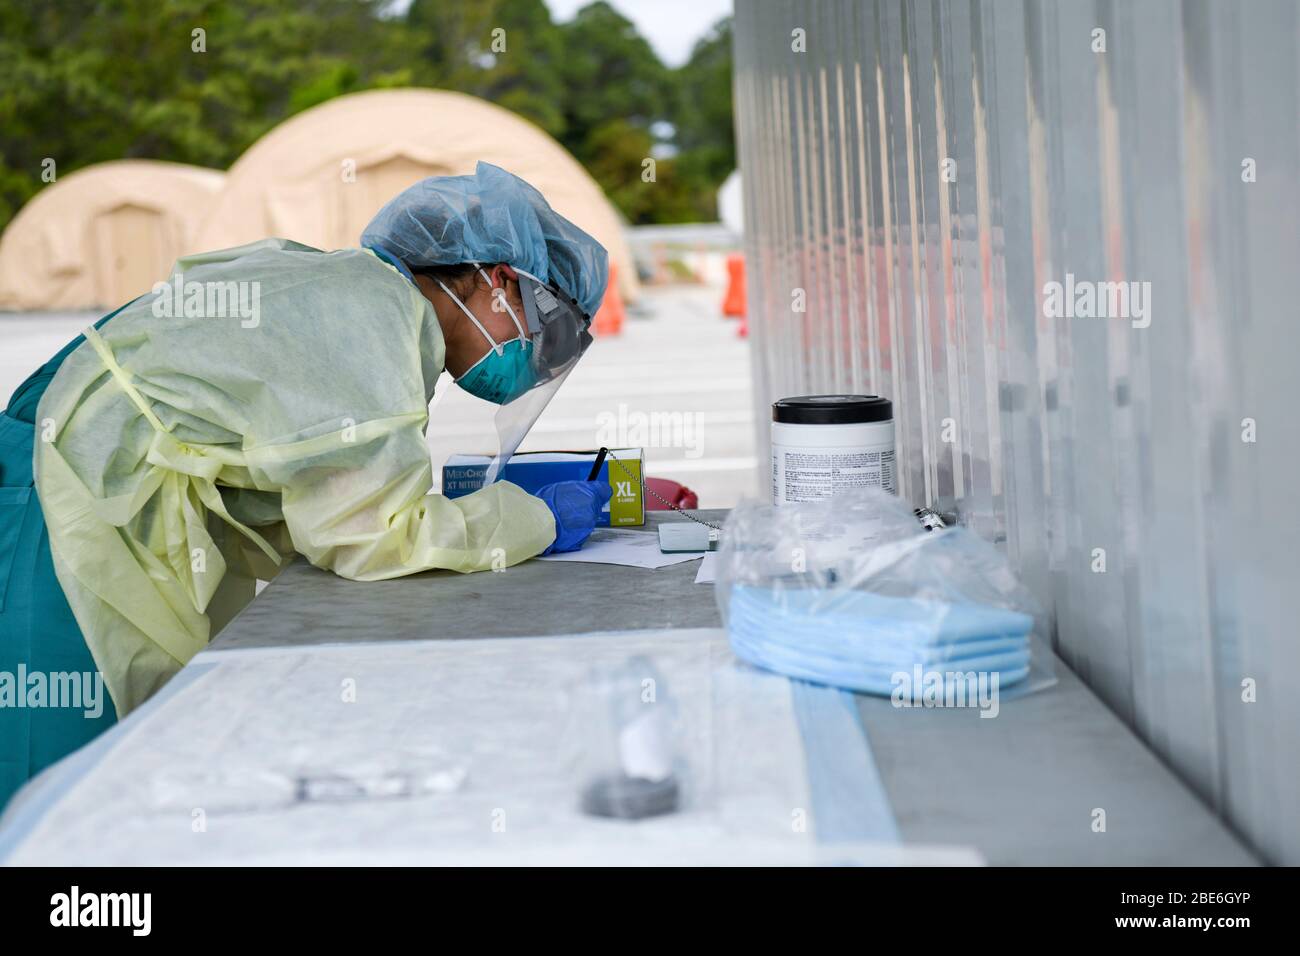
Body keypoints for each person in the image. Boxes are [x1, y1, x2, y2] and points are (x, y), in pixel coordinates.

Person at [0, 162, 611, 806]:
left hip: (68, 489)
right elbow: (374, 541)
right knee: (61, 796)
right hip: (62, 517)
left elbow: (311, 494)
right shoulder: (369, 324)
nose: (541, 360)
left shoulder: (353, 296)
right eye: (555, 331)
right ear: (501, 281)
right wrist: (536, 519)